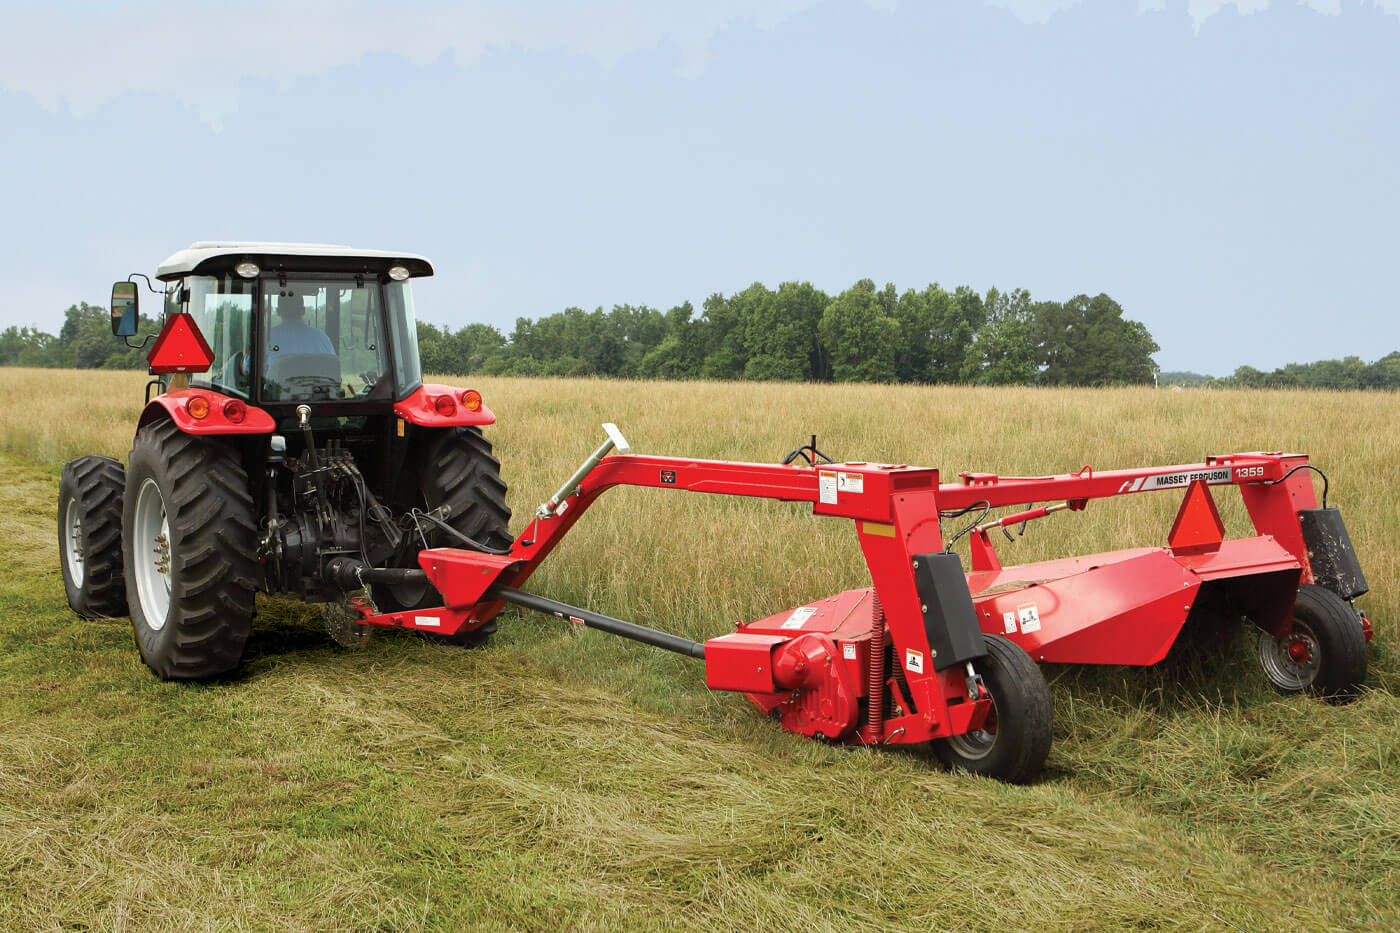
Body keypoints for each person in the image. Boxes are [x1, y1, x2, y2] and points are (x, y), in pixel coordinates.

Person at [267, 291, 335, 359]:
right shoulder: (323, 339)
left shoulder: (266, 338)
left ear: (278, 311)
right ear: (303, 311)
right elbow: (332, 366)